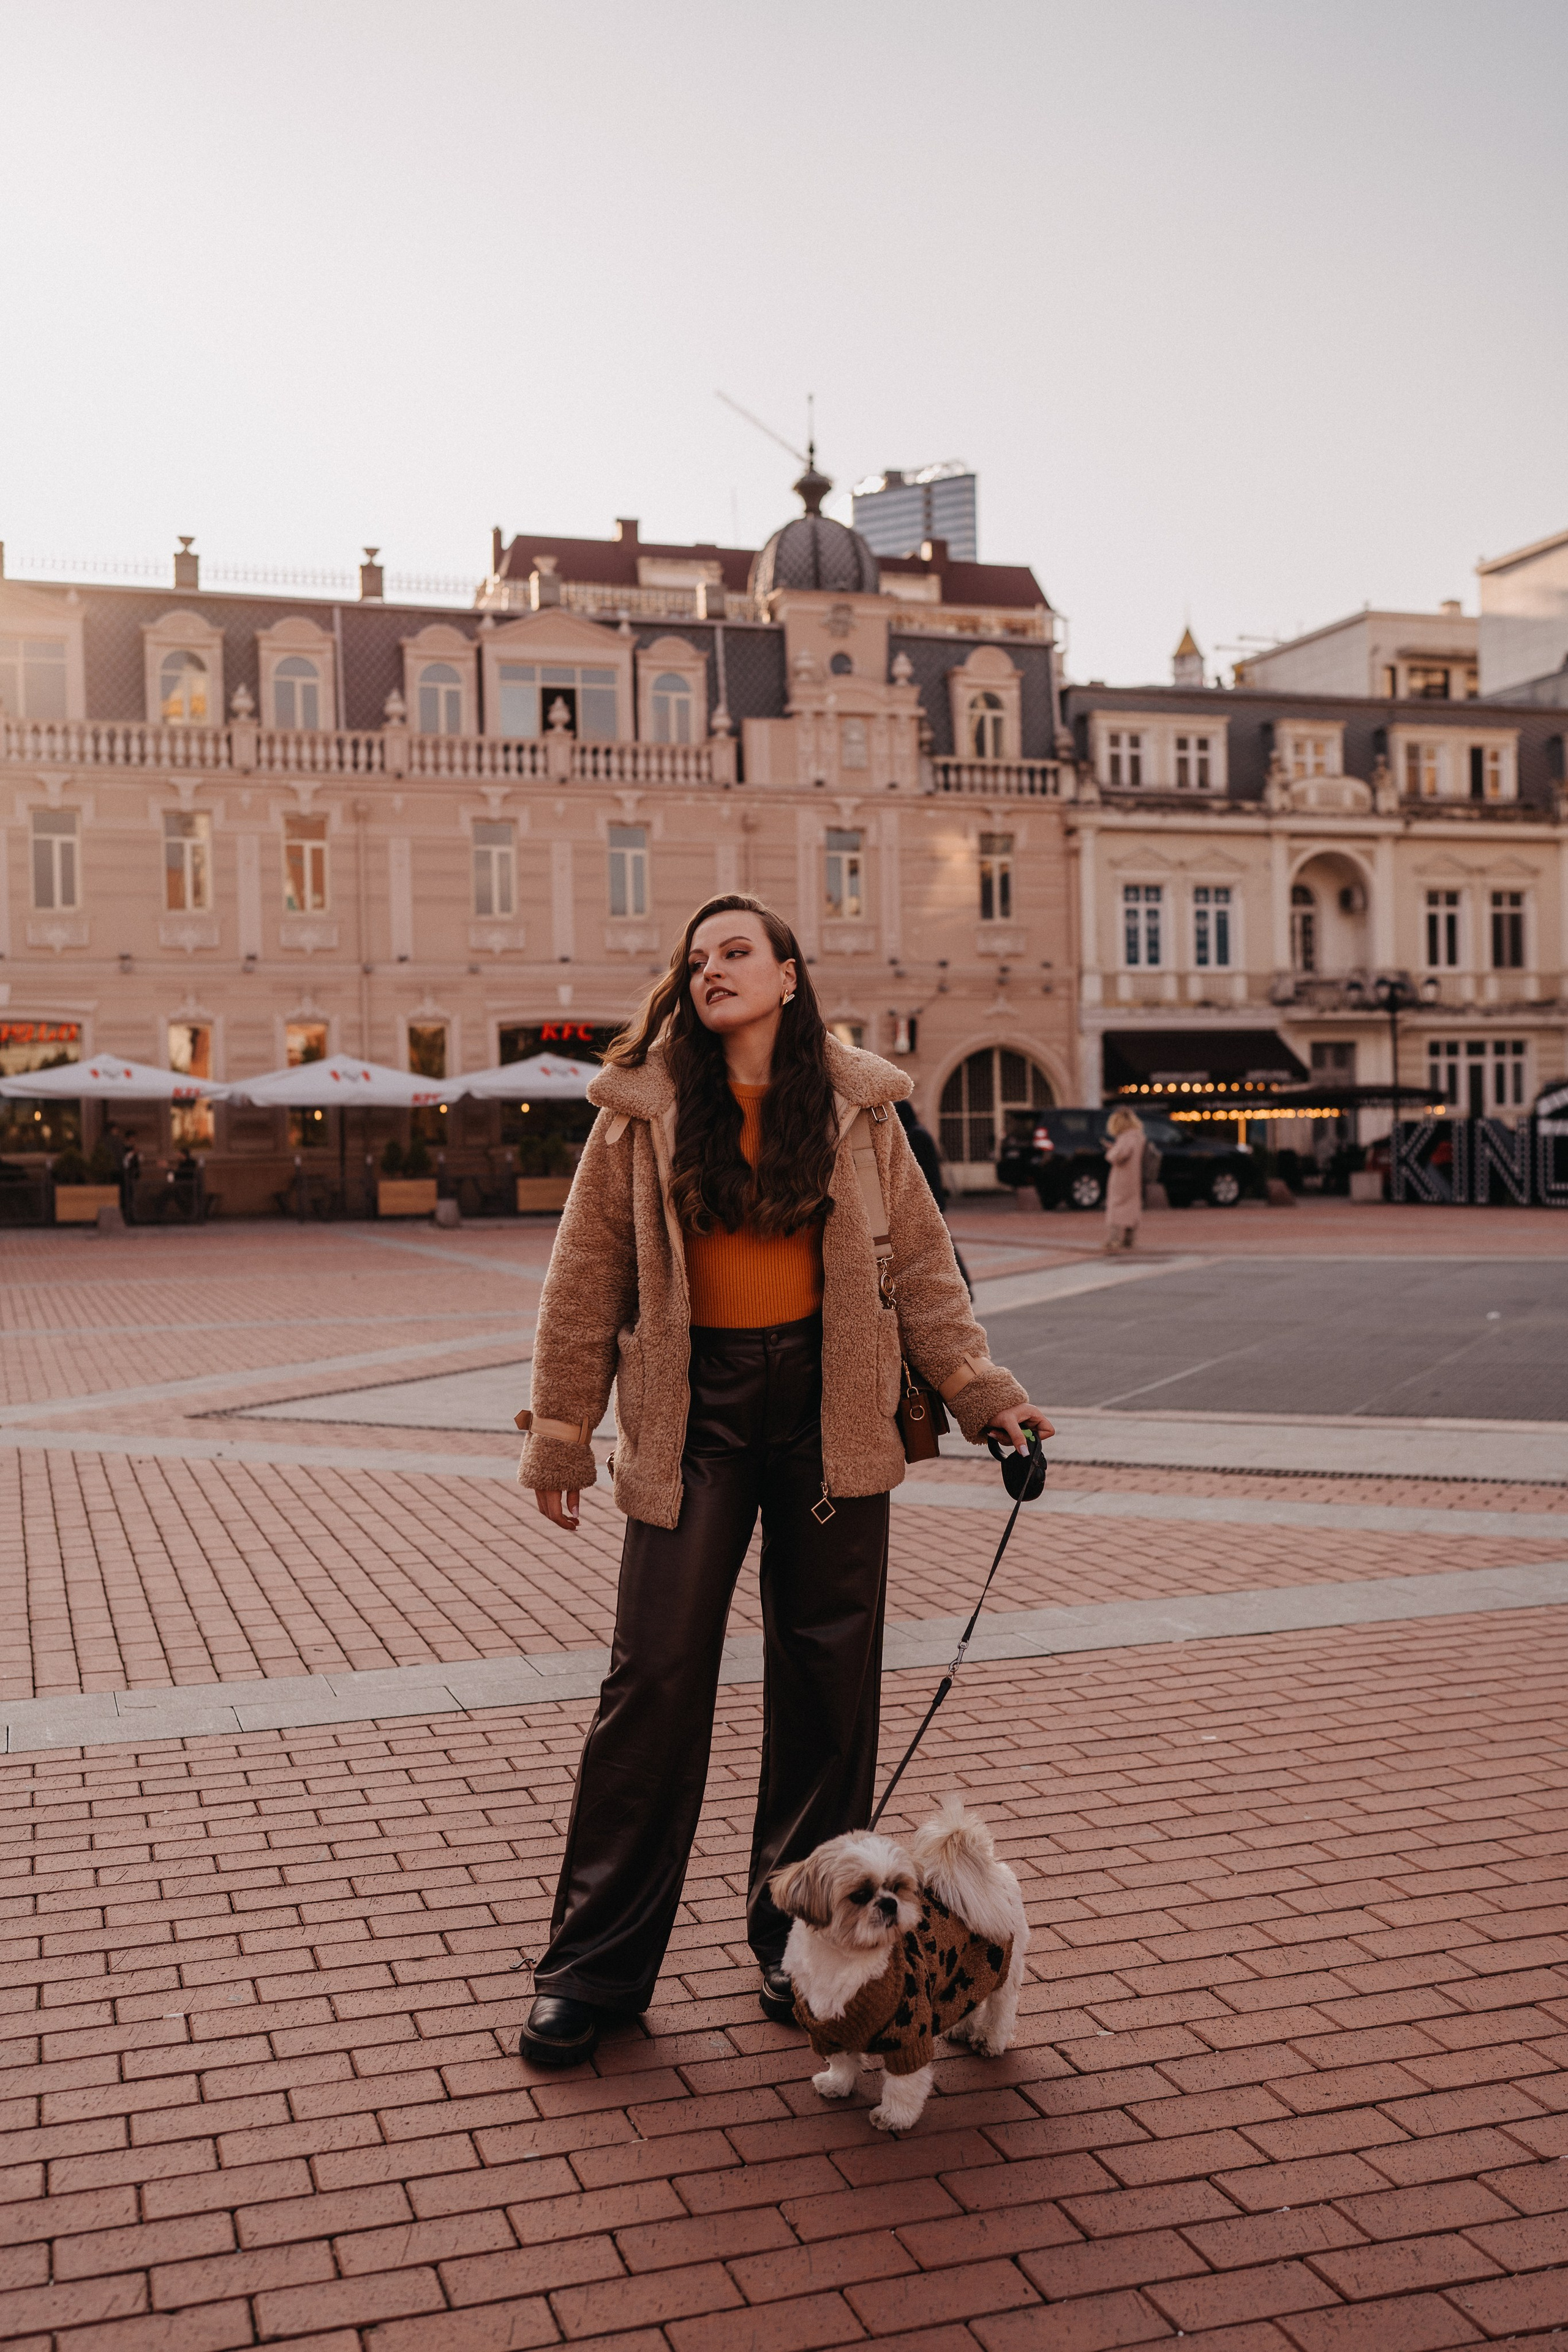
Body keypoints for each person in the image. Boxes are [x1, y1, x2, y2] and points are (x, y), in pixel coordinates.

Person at [515, 893, 1053, 2068]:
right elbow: (584, 1278)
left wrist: (983, 1395)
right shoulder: (643, 1110)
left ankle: (797, 1948)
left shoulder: (862, 1110)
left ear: (790, 977)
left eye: (736, 952)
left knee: (827, 1682)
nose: (711, 970)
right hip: (691, 1413)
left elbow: (921, 1268)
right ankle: (591, 1968)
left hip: (828, 1409)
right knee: (651, 1678)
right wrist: (563, 1432)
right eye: (697, 956)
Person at [894, 1096, 971, 1294]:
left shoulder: (915, 1136)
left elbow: (919, 1173)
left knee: (942, 1244)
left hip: (928, 1200)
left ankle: (962, 1287)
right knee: (941, 1243)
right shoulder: (919, 1133)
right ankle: (962, 1286)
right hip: (932, 1199)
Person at [1104, 1106, 1144, 1251]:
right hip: (1134, 1176)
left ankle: (1113, 1239)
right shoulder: (1139, 1137)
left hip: (1122, 1177)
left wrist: (1111, 1152)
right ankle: (1130, 1238)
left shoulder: (1126, 1137)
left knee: (1115, 1206)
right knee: (1132, 1207)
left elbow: (1119, 1156)